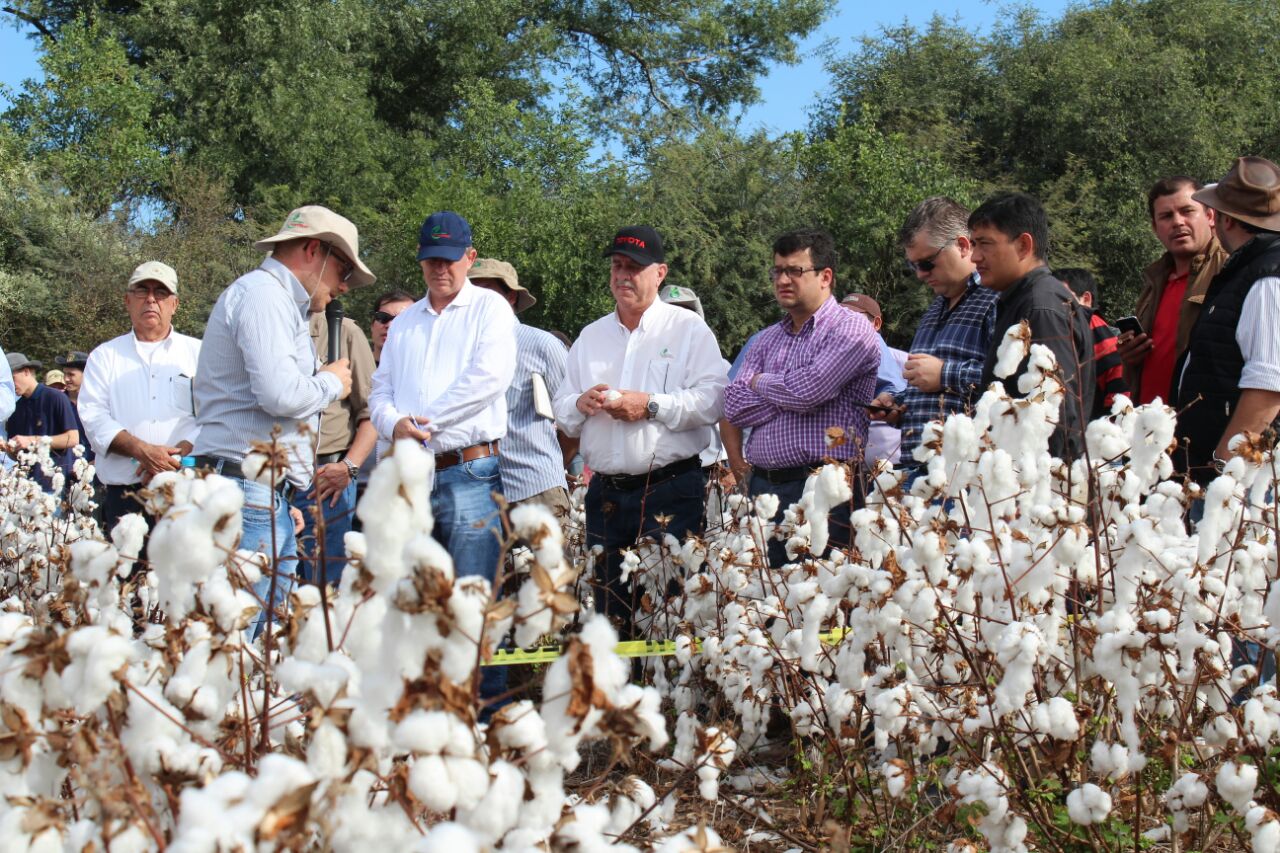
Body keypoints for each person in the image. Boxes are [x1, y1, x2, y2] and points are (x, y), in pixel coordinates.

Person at [193, 205, 368, 634]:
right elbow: (279, 394)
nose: (342, 287)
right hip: (246, 492)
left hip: (259, 493)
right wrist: (331, 383)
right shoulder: (264, 296)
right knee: (237, 643)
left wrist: (285, 492)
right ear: (313, 249)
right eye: (342, 271)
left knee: (258, 642)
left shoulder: (272, 300)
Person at [552, 226, 726, 633]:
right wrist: (580, 403)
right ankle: (617, 694)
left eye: (634, 267)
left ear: (660, 273)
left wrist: (649, 405)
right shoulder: (591, 336)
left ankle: (667, 697)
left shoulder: (688, 330)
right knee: (610, 612)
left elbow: (714, 401)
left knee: (670, 610)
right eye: (617, 266)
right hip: (606, 493)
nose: (623, 275)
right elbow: (561, 410)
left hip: (670, 488)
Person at [369, 212, 516, 585]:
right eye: (432, 258)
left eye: (448, 259)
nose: (440, 268)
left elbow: (488, 379)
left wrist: (417, 424)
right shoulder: (402, 323)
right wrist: (392, 423)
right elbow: (380, 388)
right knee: (413, 599)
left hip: (470, 473)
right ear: (419, 256)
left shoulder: (490, 307)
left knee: (471, 599)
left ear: (470, 257)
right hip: (411, 475)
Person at [724, 228, 880, 567]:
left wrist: (760, 381)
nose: (782, 279)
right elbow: (734, 406)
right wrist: (790, 390)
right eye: (777, 270)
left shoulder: (851, 329)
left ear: (825, 276)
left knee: (821, 601)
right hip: (764, 487)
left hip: (825, 487)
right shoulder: (766, 339)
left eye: (794, 270)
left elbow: (809, 391)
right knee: (768, 604)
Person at [870, 197, 998, 473]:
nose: (919, 274)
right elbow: (928, 385)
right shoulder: (934, 309)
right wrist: (898, 405)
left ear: (963, 246)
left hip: (966, 479)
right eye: (912, 266)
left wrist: (945, 374)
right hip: (920, 474)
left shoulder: (996, 300)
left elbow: (1011, 382)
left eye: (927, 263)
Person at [1173, 156, 1280, 485]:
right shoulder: (1250, 271)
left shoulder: (1267, 277)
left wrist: (1222, 469)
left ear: (1225, 220)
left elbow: (1267, 387)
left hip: (1239, 478)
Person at [79, 261, 202, 532]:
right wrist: (142, 451)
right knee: (129, 574)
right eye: (141, 291)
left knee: (184, 573)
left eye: (160, 292)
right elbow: (93, 416)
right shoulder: (104, 357)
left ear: (175, 304)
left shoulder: (199, 354)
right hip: (125, 497)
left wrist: (173, 458)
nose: (150, 299)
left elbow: (216, 414)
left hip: (185, 491)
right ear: (127, 300)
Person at [969, 193, 1094, 459]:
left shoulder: (1042, 307)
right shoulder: (1023, 300)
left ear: (1024, 245)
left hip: (1035, 485)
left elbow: (1057, 415)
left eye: (985, 244)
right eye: (973, 244)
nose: (975, 257)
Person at [469, 257, 575, 519]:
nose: (478, 301)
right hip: (472, 493)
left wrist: (550, 468)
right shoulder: (453, 350)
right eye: (471, 293)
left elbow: (574, 419)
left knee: (546, 562)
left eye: (488, 292)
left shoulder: (542, 345)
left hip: (534, 490)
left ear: (512, 298)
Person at [1118, 177, 1227, 404]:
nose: (1178, 222)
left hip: (1198, 422)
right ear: (1155, 228)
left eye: (1187, 211)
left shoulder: (1229, 270)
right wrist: (1129, 355)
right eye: (1166, 216)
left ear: (1210, 217)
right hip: (1149, 421)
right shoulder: (1154, 282)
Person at [291, 309, 377, 586]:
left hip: (326, 478)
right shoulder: (270, 324)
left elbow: (372, 411)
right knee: (274, 582)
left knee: (325, 587)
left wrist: (348, 467)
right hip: (273, 478)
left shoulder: (344, 330)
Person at [840, 293, 908, 468]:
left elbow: (896, 392)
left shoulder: (903, 360)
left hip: (890, 469)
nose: (845, 325)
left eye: (854, 319)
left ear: (876, 324)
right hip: (851, 467)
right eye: (840, 317)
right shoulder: (834, 358)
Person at [1054, 267, 1128, 420]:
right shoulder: (1062, 330)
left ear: (1086, 299)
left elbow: (1119, 400)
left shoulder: (1103, 339)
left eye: (1063, 299)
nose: (1055, 306)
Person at [5, 352, 79, 491]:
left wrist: (33, 440)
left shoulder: (55, 398)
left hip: (54, 488)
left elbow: (73, 438)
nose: (10, 385)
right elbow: (16, 455)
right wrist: (9, 448)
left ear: (26, 372)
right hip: (26, 490)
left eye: (12, 378)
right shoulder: (15, 409)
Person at [54, 351, 92, 462]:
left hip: (94, 468)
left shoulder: (98, 402)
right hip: (63, 468)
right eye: (65, 374)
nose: (66, 379)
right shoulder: (57, 401)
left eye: (71, 375)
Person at [370, 290, 416, 363]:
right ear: (372, 325)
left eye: (401, 320)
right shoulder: (350, 368)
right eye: (383, 317)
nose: (389, 325)